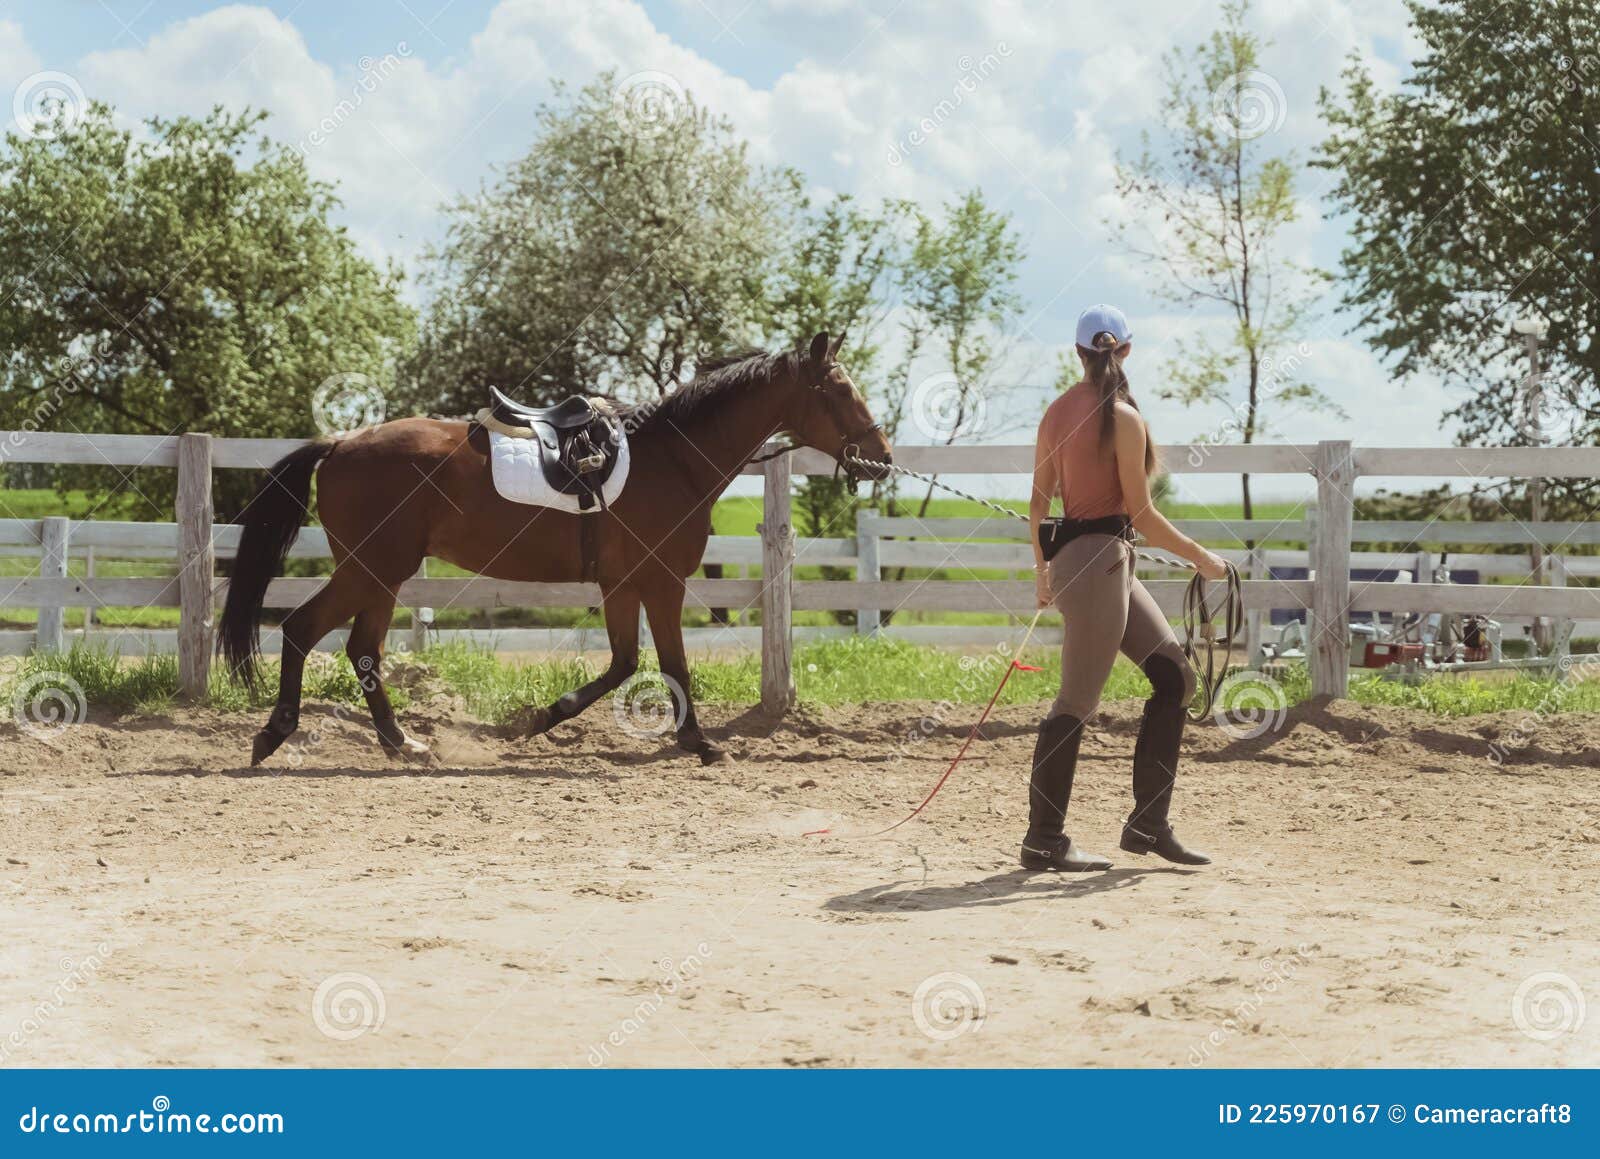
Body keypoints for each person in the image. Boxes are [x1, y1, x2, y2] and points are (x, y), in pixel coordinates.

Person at [1022, 304, 1228, 872]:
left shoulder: (1056, 413)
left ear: (1079, 352)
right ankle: (1043, 838)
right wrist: (1201, 558)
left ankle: (1148, 825)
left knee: (1175, 678)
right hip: (1103, 565)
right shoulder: (1124, 418)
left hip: (1095, 563)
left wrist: (1043, 571)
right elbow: (1143, 514)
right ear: (1127, 351)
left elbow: (1038, 506)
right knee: (1076, 703)